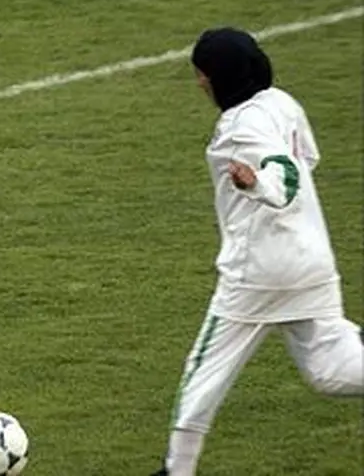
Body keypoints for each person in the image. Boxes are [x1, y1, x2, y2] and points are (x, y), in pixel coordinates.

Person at [151, 28, 363, 476]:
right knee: (330, 367)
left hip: (259, 271)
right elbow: (308, 159)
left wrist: (256, 184)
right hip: (311, 258)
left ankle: (177, 470)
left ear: (221, 77)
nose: (199, 82)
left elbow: (284, 175)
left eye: (202, 74)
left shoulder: (239, 126)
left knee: (203, 373)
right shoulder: (283, 104)